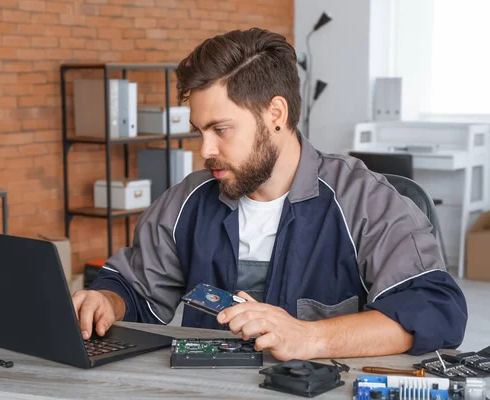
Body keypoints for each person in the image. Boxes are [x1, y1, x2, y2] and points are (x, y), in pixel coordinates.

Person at [72, 28, 467, 361]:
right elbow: (133, 289)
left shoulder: (364, 201)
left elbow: (436, 311)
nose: (204, 150)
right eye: (199, 131)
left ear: (274, 114)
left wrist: (310, 337)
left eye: (221, 130)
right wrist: (107, 302)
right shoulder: (187, 201)